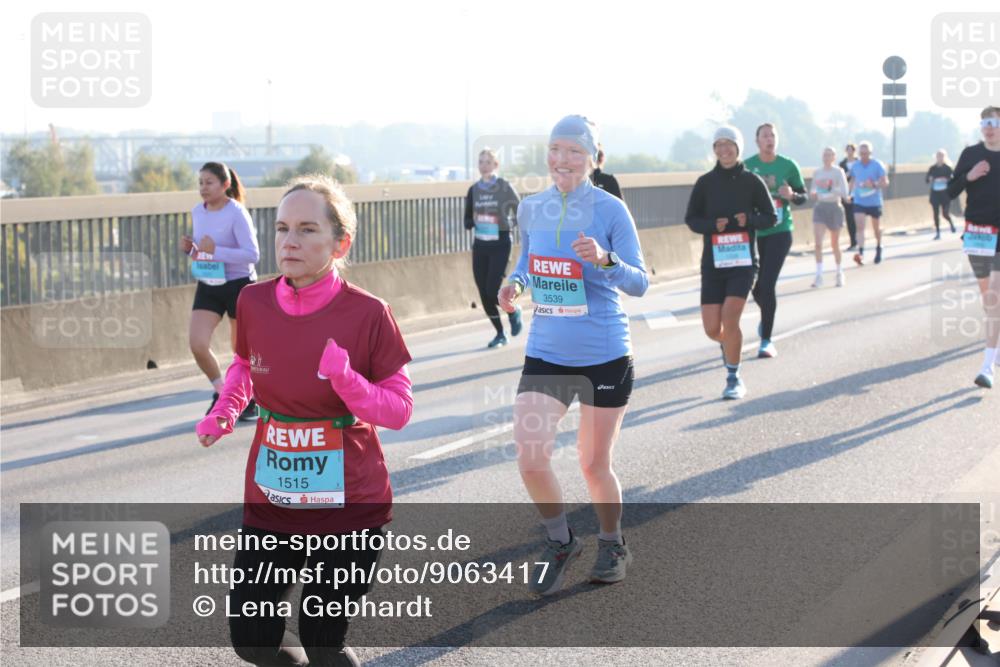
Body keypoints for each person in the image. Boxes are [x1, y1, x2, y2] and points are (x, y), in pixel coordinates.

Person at [195, 175, 414, 665]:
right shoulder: (252, 301)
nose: (289, 241)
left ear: (341, 243)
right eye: (282, 228)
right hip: (274, 502)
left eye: (307, 230)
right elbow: (244, 367)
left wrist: (347, 380)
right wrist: (226, 410)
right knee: (251, 640)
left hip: (350, 507)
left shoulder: (369, 314)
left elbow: (399, 411)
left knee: (322, 641)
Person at [497, 115, 648, 595]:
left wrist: (604, 260)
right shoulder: (532, 207)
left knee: (591, 463)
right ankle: (561, 541)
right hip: (547, 351)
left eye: (574, 152)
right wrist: (516, 283)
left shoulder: (610, 210)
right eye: (556, 149)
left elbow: (640, 282)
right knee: (530, 457)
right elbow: (526, 259)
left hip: (604, 353)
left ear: (593, 159)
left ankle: (612, 542)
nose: (562, 160)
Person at [685, 125, 777, 399]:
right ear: (714, 150)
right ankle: (731, 345)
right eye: (719, 145)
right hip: (713, 264)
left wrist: (749, 220)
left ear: (738, 148)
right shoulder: (705, 183)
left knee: (730, 317)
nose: (724, 149)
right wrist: (713, 225)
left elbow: (771, 217)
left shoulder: (752, 181)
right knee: (713, 328)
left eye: (729, 144)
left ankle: (734, 377)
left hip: (743, 261)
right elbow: (692, 219)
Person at [181, 162, 260, 420]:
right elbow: (203, 250)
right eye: (200, 182)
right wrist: (191, 250)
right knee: (198, 343)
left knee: (240, 351)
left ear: (225, 185)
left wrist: (217, 251)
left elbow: (252, 255)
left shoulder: (236, 213)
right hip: (209, 282)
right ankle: (224, 392)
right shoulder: (197, 211)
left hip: (238, 284)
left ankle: (246, 399)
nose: (203, 188)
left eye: (209, 182)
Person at [948, 106, 1000, 389]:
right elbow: (950, 191)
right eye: (985, 123)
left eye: (994, 122)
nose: (988, 127)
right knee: (988, 297)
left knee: (993, 297)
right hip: (977, 234)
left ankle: (987, 366)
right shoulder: (970, 154)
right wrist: (969, 176)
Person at [745, 123, 807, 358]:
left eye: (772, 135)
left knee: (768, 284)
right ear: (757, 141)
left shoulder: (788, 165)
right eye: (764, 136)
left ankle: (766, 340)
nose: (769, 139)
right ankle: (767, 315)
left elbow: (803, 197)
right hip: (753, 234)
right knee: (755, 287)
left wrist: (792, 195)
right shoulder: (748, 167)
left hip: (780, 231)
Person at [463, 148, 522, 348]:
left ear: (496, 165)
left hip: (501, 245)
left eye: (488, 162)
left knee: (491, 289)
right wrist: (472, 222)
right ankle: (499, 334)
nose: (484, 165)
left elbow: (519, 210)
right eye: (481, 162)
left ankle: (513, 311)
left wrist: (508, 224)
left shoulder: (504, 186)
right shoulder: (474, 190)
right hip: (480, 246)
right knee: (483, 293)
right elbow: (467, 218)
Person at [809, 147, 850, 288]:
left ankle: (839, 272)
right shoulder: (818, 172)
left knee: (834, 244)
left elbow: (845, 192)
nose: (826, 157)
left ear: (834, 157)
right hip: (821, 207)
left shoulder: (838, 172)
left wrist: (830, 189)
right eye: (824, 155)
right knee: (818, 244)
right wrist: (814, 193)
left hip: (834, 207)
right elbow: (812, 190)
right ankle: (819, 275)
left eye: (829, 155)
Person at [848, 141, 890, 266]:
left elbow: (885, 182)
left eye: (866, 153)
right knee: (860, 226)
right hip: (859, 200)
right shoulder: (856, 165)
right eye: (861, 153)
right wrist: (849, 193)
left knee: (876, 228)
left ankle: (878, 247)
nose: (863, 156)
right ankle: (860, 253)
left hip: (874, 201)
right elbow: (853, 180)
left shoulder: (877, 165)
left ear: (870, 153)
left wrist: (874, 184)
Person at [926, 149, 956, 239]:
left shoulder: (948, 168)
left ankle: (951, 223)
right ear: (936, 157)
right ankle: (938, 232)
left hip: (945, 194)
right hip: (935, 194)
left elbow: (953, 179)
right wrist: (930, 179)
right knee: (935, 214)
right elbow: (927, 179)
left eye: (942, 156)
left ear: (945, 157)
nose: (940, 158)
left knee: (945, 213)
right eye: (938, 156)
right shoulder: (932, 168)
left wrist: (946, 179)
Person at [839, 143, 859, 250]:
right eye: (848, 150)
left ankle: (859, 240)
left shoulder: (859, 163)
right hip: (847, 195)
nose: (850, 152)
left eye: (851, 150)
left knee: (858, 218)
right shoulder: (842, 164)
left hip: (859, 194)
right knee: (850, 219)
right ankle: (853, 242)